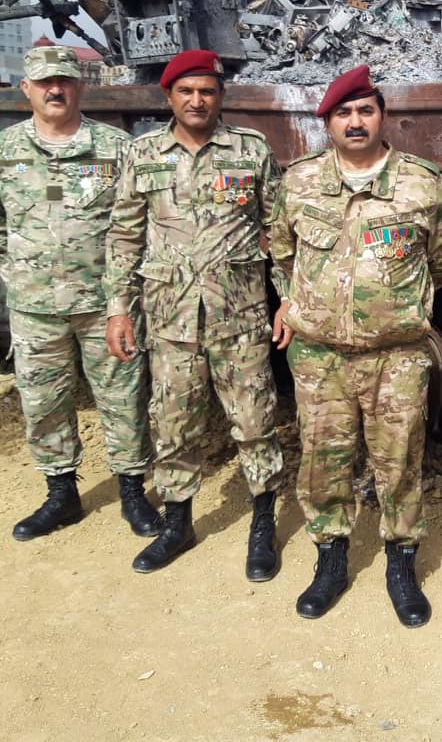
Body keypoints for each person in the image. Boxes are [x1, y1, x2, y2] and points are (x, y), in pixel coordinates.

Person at [269, 64, 442, 627]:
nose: (355, 121)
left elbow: (441, 258)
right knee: (322, 463)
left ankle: (401, 562)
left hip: (396, 357)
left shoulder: (421, 184)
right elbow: (281, 251)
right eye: (343, 113)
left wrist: (394, 310)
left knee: (399, 463)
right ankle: (330, 559)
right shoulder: (299, 182)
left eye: (365, 111)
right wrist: (297, 301)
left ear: (382, 116)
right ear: (327, 122)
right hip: (319, 356)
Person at [105, 49, 284, 580]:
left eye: (207, 91)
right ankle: (178, 523)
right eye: (186, 91)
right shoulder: (143, 154)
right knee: (173, 424)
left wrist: (289, 301)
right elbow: (124, 236)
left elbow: (279, 231)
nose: (197, 100)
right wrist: (118, 310)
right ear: (169, 97)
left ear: (221, 96)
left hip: (240, 316)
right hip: (170, 319)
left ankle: (263, 524)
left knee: (255, 422)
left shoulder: (250, 150)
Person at [2, 45, 158, 541]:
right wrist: (15, 270)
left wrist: (125, 297)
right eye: (45, 82)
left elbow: (138, 225)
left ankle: (132, 489)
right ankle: (61, 493)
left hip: (105, 305)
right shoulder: (6, 150)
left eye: (64, 81)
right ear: (26, 88)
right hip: (34, 306)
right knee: (43, 402)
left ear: (79, 86)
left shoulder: (116, 148)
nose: (55, 90)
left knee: (123, 398)